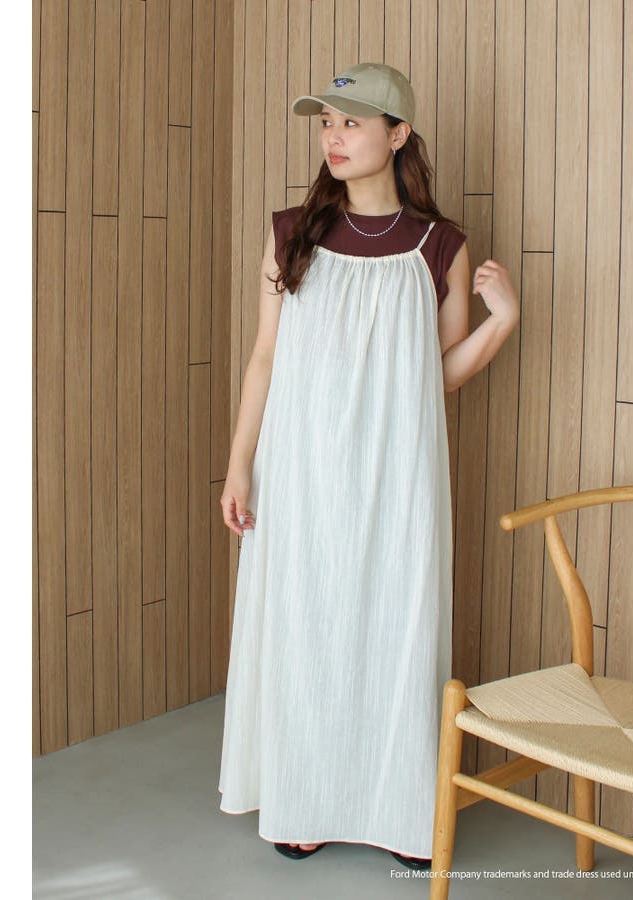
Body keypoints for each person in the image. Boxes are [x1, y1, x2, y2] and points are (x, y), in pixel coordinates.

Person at [217, 62, 520, 870]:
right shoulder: (292, 231)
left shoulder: (440, 245)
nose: (334, 136)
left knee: (396, 627)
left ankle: (397, 811)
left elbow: (439, 374)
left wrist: (500, 324)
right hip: (301, 467)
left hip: (397, 471)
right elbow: (265, 356)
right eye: (326, 122)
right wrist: (239, 465)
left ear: (398, 134)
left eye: (352, 121)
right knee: (307, 627)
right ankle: (305, 799)